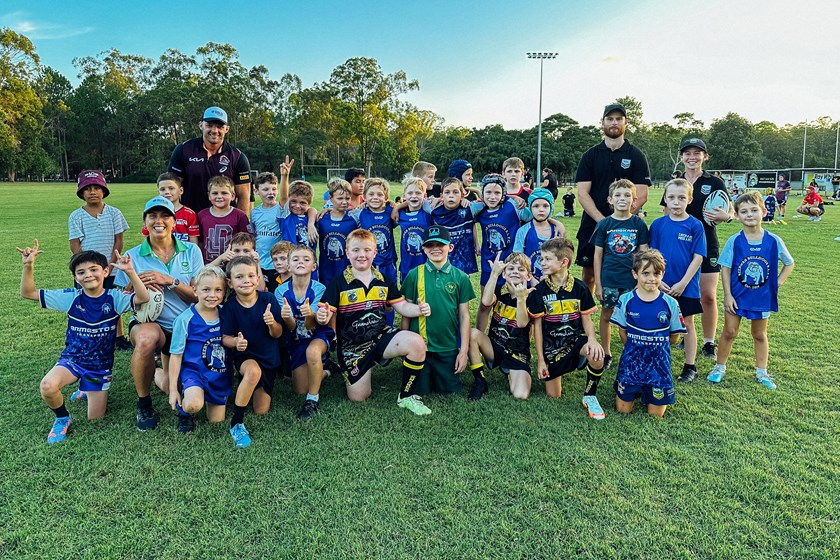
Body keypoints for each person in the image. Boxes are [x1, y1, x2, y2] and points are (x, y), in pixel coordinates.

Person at [19, 243, 148, 443]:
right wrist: (28, 266)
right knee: (47, 386)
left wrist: (130, 272)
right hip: (73, 360)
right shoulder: (71, 297)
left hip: (100, 367)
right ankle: (63, 418)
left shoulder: (114, 297)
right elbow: (28, 293)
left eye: (94, 269)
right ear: (76, 278)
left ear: (105, 272)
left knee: (95, 418)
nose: (88, 275)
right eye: (81, 272)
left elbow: (143, 297)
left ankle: (86, 388)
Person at [316, 229, 433, 415]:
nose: (361, 255)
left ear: (374, 253)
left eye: (366, 250)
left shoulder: (383, 280)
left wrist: (418, 309)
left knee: (416, 343)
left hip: (379, 337)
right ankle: (352, 368)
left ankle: (406, 396)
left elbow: (402, 306)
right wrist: (322, 317)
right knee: (358, 397)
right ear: (347, 253)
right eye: (355, 250)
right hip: (352, 346)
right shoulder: (338, 283)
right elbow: (324, 313)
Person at [115, 196, 204, 431]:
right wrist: (136, 288)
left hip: (186, 325)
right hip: (153, 323)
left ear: (174, 222)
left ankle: (163, 377)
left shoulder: (192, 251)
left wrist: (169, 281)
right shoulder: (133, 256)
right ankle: (144, 402)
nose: (159, 221)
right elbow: (120, 300)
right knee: (146, 339)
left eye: (165, 216)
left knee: (183, 385)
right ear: (145, 222)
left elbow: (200, 296)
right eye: (152, 216)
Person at [708, 191, 794, 389]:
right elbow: (726, 269)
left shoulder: (774, 240)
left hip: (762, 297)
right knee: (729, 332)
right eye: (744, 211)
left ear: (763, 212)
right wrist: (728, 295)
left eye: (754, 210)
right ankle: (719, 367)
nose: (749, 215)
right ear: (737, 215)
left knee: (759, 334)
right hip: (737, 296)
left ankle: (762, 372)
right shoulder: (734, 241)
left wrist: (777, 283)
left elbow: (789, 264)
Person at [574, 103, 651, 291]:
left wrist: (621, 220)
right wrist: (603, 221)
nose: (614, 123)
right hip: (593, 223)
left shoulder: (636, 155)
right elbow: (583, 193)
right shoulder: (590, 155)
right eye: (610, 119)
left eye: (618, 119)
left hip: (628, 228)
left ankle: (625, 315)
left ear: (626, 122)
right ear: (602, 122)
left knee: (627, 270)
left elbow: (641, 195)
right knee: (589, 274)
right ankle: (587, 315)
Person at [667, 138, 731, 361]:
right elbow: (667, 212)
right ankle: (685, 333)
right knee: (680, 292)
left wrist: (728, 216)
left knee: (708, 297)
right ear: (682, 156)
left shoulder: (714, 182)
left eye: (697, 153)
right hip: (680, 245)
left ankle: (708, 342)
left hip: (707, 244)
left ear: (705, 156)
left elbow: (728, 210)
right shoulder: (676, 181)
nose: (692, 157)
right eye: (687, 153)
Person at [527, 238, 605, 417]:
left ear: (564, 262)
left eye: (547, 259)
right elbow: (537, 328)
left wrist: (592, 340)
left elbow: (587, 319)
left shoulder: (580, 288)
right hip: (552, 349)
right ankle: (560, 367)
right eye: (542, 259)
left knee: (597, 354)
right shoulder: (539, 291)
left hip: (577, 341)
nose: (542, 263)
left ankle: (590, 395)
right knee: (553, 395)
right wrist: (540, 359)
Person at [401, 225, 475, 396]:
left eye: (440, 244)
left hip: (447, 347)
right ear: (424, 249)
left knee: (450, 391)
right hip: (420, 347)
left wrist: (463, 352)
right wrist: (404, 344)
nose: (435, 249)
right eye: (430, 245)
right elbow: (405, 311)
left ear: (450, 247)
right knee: (420, 392)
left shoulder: (460, 277)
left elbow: (464, 316)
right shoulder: (413, 274)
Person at [610, 249, 686, 417]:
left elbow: (674, 337)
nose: (651, 278)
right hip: (632, 362)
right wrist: (633, 347)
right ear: (635, 274)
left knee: (655, 415)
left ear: (662, 274)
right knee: (623, 410)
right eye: (645, 273)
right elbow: (622, 331)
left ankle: (653, 393)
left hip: (658, 365)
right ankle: (630, 389)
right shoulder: (626, 300)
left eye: (656, 273)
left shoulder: (670, 303)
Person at [220, 256, 284, 448]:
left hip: (268, 359)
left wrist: (272, 323)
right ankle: (237, 422)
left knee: (261, 409)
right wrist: (235, 342)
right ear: (230, 283)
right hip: (245, 358)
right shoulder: (230, 307)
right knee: (252, 371)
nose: (246, 280)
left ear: (258, 279)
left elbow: (278, 333)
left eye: (250, 276)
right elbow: (224, 337)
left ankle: (247, 386)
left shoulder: (268, 299)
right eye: (239, 277)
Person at [68, 170, 131, 351]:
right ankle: (90, 337)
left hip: (111, 267)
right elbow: (75, 244)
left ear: (104, 190)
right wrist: (85, 267)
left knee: (112, 302)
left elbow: (118, 240)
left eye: (97, 188)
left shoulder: (114, 213)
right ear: (81, 193)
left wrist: (110, 266)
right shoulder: (76, 216)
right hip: (88, 270)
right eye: (87, 189)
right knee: (87, 304)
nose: (92, 192)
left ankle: (118, 337)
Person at [650, 179, 706, 383]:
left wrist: (683, 283)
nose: (676, 202)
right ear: (665, 199)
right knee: (659, 324)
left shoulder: (695, 225)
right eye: (671, 197)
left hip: (686, 286)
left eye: (681, 198)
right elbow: (652, 254)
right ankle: (658, 363)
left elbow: (698, 257)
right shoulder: (657, 224)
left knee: (688, 324)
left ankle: (690, 366)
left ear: (689, 199)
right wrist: (658, 281)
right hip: (661, 285)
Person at [592, 179, 649, 369]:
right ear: (610, 199)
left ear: (634, 200)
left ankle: (631, 352)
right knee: (607, 315)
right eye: (618, 195)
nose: (622, 199)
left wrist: (640, 280)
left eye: (627, 195)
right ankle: (606, 353)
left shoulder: (639, 224)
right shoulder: (604, 224)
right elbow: (598, 255)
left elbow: (643, 254)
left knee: (632, 317)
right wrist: (598, 284)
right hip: (609, 279)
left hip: (631, 280)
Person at [167, 265, 230, 434]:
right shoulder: (185, 319)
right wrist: (173, 390)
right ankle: (184, 412)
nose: (212, 295)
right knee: (193, 405)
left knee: (216, 421)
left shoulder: (227, 314)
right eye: (206, 289)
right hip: (194, 372)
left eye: (218, 290)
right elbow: (176, 355)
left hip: (219, 374)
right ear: (195, 290)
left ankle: (207, 396)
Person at [275, 246, 334, 420]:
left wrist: (309, 314)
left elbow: (312, 326)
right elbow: (293, 328)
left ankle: (312, 400)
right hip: (297, 338)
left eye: (306, 259)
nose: (301, 262)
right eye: (295, 259)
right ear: (288, 266)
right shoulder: (280, 291)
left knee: (313, 351)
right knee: (300, 389)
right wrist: (286, 318)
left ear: (314, 266)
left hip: (317, 334)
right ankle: (327, 370)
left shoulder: (320, 289)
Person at [467, 252, 533, 400]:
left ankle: (511, 371)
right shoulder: (500, 293)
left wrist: (521, 298)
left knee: (520, 395)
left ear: (528, 276)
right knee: (472, 333)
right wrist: (494, 274)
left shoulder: (531, 297)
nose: (515, 271)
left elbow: (522, 323)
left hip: (517, 354)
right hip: (494, 347)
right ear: (504, 273)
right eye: (511, 269)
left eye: (521, 269)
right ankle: (480, 380)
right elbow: (485, 301)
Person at [474, 174, 534, 331]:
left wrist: (519, 199)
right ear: (482, 193)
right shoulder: (479, 208)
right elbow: (461, 215)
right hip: (490, 263)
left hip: (513, 264)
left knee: (519, 302)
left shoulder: (511, 205)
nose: (492, 197)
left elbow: (534, 216)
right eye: (488, 193)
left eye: (497, 193)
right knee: (485, 303)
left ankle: (520, 341)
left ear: (503, 194)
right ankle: (479, 337)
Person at [168, 106, 252, 214]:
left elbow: (244, 196)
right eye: (209, 125)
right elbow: (171, 188)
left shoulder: (238, 157)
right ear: (201, 125)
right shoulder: (183, 150)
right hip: (191, 221)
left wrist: (241, 225)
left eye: (219, 126)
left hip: (224, 223)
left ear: (226, 129)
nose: (214, 130)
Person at [513, 188, 565, 282]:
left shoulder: (557, 230)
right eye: (536, 206)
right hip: (529, 283)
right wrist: (532, 279)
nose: (541, 210)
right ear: (530, 208)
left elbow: (562, 259)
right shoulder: (523, 231)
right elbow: (518, 259)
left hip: (553, 282)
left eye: (545, 206)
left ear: (551, 208)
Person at [353, 178, 398, 285]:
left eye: (380, 194)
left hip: (388, 262)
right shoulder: (361, 213)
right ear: (364, 197)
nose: (375, 198)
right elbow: (340, 212)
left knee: (390, 292)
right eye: (371, 194)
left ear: (386, 197)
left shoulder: (391, 211)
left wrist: (397, 206)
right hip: (368, 262)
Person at [196, 175, 250, 264]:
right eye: (215, 193)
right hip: (209, 264)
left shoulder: (240, 216)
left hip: (233, 264)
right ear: (209, 196)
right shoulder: (202, 215)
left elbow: (247, 241)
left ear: (232, 196)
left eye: (224, 193)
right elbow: (201, 241)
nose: (219, 196)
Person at [317, 178, 359, 288]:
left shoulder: (355, 217)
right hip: (326, 270)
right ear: (330, 198)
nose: (344, 202)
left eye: (347, 198)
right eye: (340, 198)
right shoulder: (321, 218)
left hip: (348, 270)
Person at [141, 173, 199, 244]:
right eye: (162, 189)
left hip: (183, 253)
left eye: (171, 188)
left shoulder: (189, 214)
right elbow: (146, 239)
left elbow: (193, 242)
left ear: (181, 190)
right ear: (158, 192)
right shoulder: (151, 212)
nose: (167, 192)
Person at [395, 176, 434, 283]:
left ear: (424, 196)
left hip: (426, 265)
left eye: (418, 193)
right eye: (410, 193)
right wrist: (396, 208)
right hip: (406, 265)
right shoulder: (400, 215)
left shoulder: (429, 214)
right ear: (404, 196)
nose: (414, 196)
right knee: (407, 297)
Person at [250, 171, 284, 288]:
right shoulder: (254, 212)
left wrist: (285, 175)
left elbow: (310, 209)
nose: (271, 193)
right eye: (265, 189)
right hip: (260, 263)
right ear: (256, 191)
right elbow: (254, 235)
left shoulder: (281, 208)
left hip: (277, 265)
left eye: (274, 189)